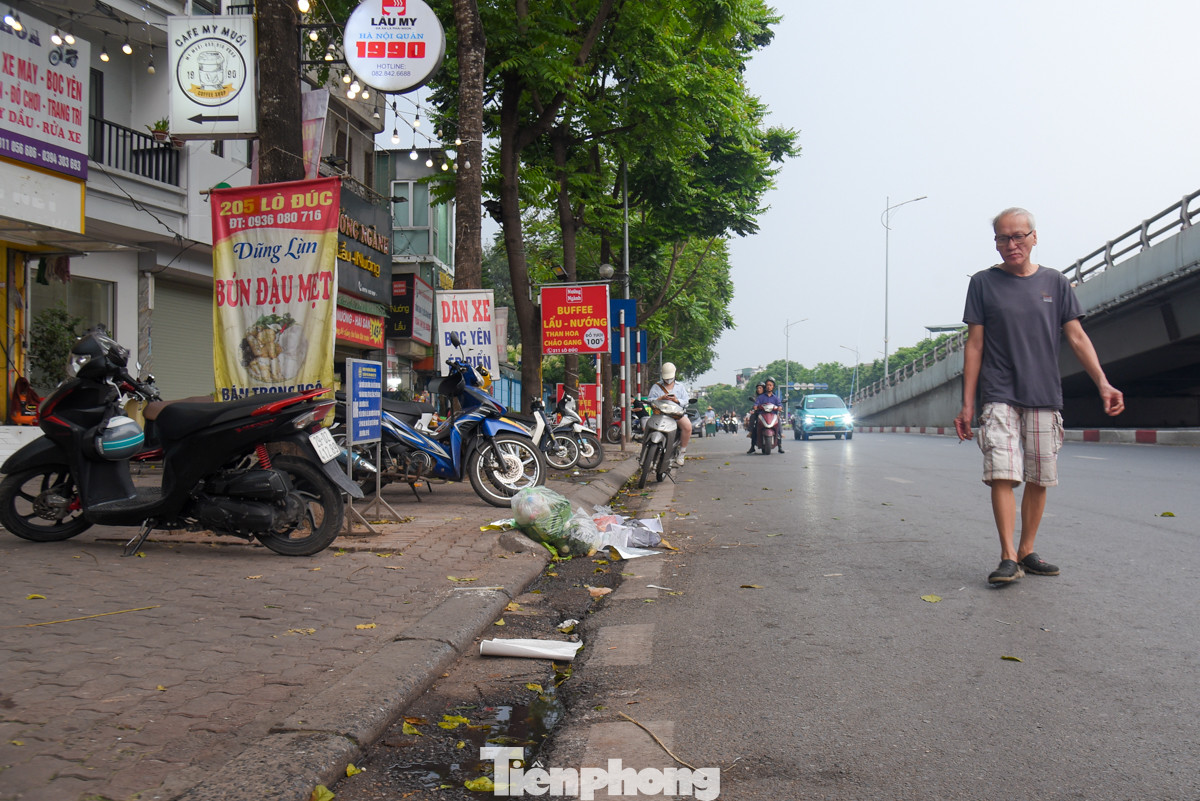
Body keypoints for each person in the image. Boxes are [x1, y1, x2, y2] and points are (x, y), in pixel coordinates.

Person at [955, 207, 1124, 585]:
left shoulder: (1056, 283)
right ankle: (1008, 556)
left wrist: (1103, 383)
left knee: (1039, 475)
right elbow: (975, 345)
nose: (1011, 244)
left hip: (1044, 393)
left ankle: (1028, 550)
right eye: (1003, 238)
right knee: (1002, 473)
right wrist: (968, 403)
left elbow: (1077, 337)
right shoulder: (983, 283)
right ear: (995, 243)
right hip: (999, 392)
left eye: (1018, 236)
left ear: (1034, 237)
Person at [647, 362, 692, 466]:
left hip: (676, 414)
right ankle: (646, 449)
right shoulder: (656, 386)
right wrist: (661, 398)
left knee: (688, 426)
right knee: (647, 425)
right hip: (660, 414)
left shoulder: (680, 387)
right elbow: (650, 400)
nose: (668, 379)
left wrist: (676, 400)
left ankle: (682, 453)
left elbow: (686, 401)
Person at [745, 381, 766, 453]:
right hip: (759, 415)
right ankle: (752, 446)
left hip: (768, 414)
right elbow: (754, 405)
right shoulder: (757, 397)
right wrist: (755, 408)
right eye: (757, 388)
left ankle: (780, 445)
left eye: (760, 388)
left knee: (777, 422)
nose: (758, 389)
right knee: (755, 427)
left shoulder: (769, 396)